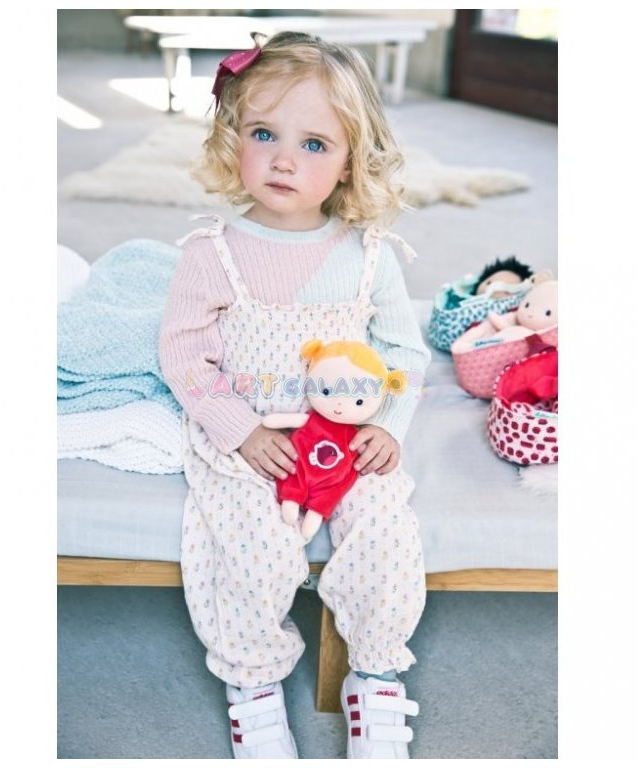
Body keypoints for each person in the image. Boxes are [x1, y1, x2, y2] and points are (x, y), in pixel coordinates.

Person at [159, 31, 431, 760]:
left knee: (386, 532)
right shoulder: (211, 253)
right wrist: (239, 430)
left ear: (350, 161)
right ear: (233, 139)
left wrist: (390, 426)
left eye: (314, 144)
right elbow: (184, 354)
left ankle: (375, 677)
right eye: (264, 134)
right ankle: (252, 687)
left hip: (347, 437)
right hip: (258, 441)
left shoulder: (368, 256)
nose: (284, 159)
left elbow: (405, 352)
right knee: (251, 553)